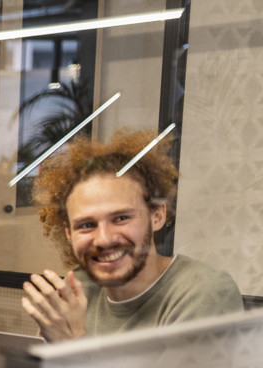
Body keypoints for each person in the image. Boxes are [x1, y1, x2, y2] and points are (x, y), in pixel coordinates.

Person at [20, 128, 242, 341]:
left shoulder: (203, 291)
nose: (104, 239)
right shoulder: (78, 287)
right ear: (69, 234)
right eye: (87, 225)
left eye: (121, 218)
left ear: (157, 215)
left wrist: (74, 340)